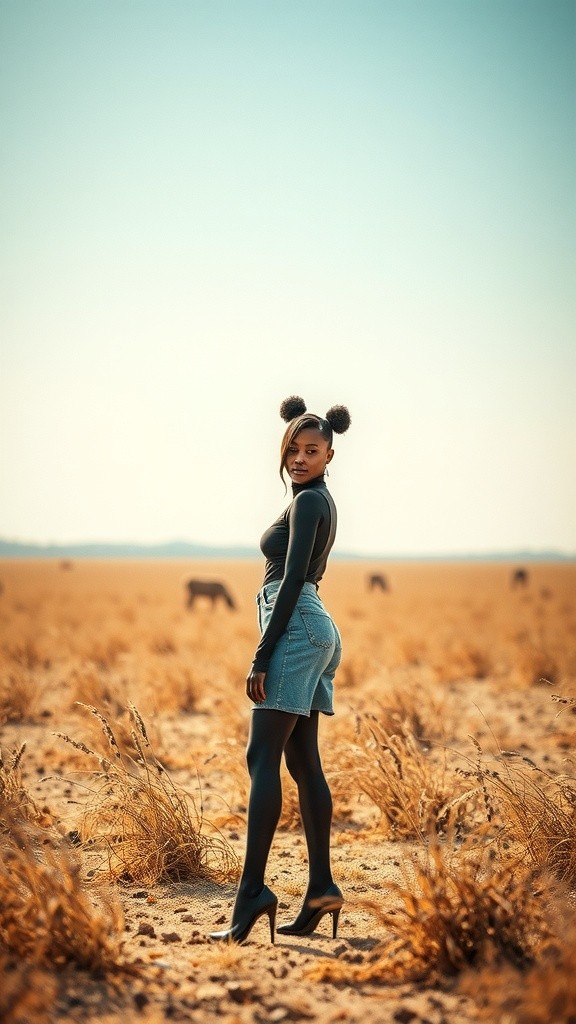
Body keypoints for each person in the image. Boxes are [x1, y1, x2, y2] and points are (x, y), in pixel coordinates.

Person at [209, 395, 351, 945]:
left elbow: (292, 579)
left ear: (329, 453)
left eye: (311, 450)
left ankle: (251, 895)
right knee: (302, 758)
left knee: (262, 755)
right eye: (293, 448)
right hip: (312, 625)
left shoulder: (310, 502)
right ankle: (320, 889)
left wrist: (262, 654)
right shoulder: (317, 499)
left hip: (294, 625)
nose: (299, 457)